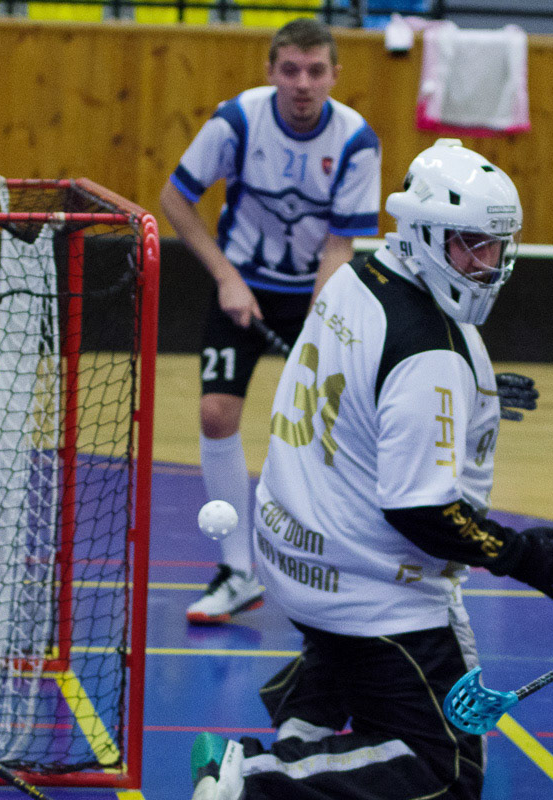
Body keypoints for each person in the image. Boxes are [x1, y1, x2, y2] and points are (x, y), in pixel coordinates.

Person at [177, 140, 553, 800]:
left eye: (497, 247)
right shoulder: (430, 351)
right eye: (470, 246)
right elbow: (420, 509)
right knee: (447, 776)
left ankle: (307, 719)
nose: (488, 264)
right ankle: (255, 778)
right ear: (426, 234)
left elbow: (371, 385)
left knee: (367, 674)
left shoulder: (358, 276)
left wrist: (476, 389)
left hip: (294, 551)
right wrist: (518, 553)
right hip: (369, 590)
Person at [159, 17, 382, 626]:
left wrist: (319, 322)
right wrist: (225, 277)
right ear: (270, 72)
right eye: (290, 70)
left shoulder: (357, 141)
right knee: (215, 413)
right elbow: (175, 198)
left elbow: (339, 246)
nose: (303, 83)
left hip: (315, 294)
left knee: (326, 429)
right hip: (241, 286)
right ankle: (238, 572)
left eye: (315, 71)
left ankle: (339, 566)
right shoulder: (237, 121)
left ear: (335, 75)